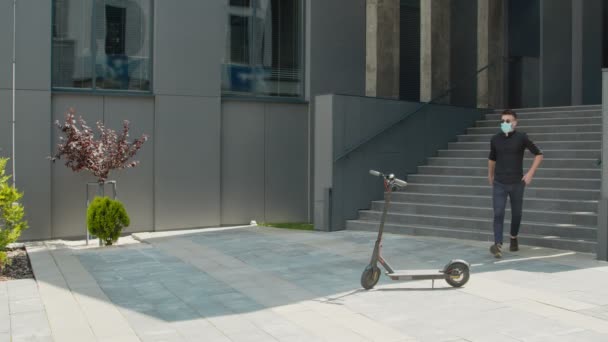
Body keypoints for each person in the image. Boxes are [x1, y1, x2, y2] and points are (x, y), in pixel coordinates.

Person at [488, 109, 543, 258]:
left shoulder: (521, 138)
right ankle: (497, 244)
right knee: (498, 213)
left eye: (508, 121)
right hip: (499, 182)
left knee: (517, 213)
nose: (505, 123)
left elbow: (539, 154)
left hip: (517, 183)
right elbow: (492, 159)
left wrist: (530, 173)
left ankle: (513, 237)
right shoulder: (495, 139)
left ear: (515, 122)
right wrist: (490, 175)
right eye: (502, 121)